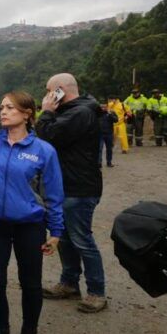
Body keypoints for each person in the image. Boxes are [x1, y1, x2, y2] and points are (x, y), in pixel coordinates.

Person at [0, 91, 63, 334]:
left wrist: (57, 231)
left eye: (10, 108)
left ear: (27, 114)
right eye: (1, 107)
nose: (3, 112)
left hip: (30, 225)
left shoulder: (43, 151)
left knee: (31, 284)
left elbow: (53, 193)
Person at [36, 73, 107, 313]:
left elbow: (47, 137)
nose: (46, 96)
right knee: (64, 238)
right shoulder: (74, 111)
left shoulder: (80, 113)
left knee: (82, 239)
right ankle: (69, 282)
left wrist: (46, 111)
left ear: (58, 91)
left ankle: (97, 291)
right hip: (66, 185)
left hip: (79, 187)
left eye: (49, 91)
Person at [97, 101, 118, 168]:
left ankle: (109, 162)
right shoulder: (97, 114)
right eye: (101, 107)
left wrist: (110, 114)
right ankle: (99, 163)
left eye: (104, 107)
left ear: (107, 107)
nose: (103, 108)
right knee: (99, 149)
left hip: (109, 134)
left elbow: (116, 120)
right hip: (100, 134)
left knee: (109, 149)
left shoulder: (111, 113)